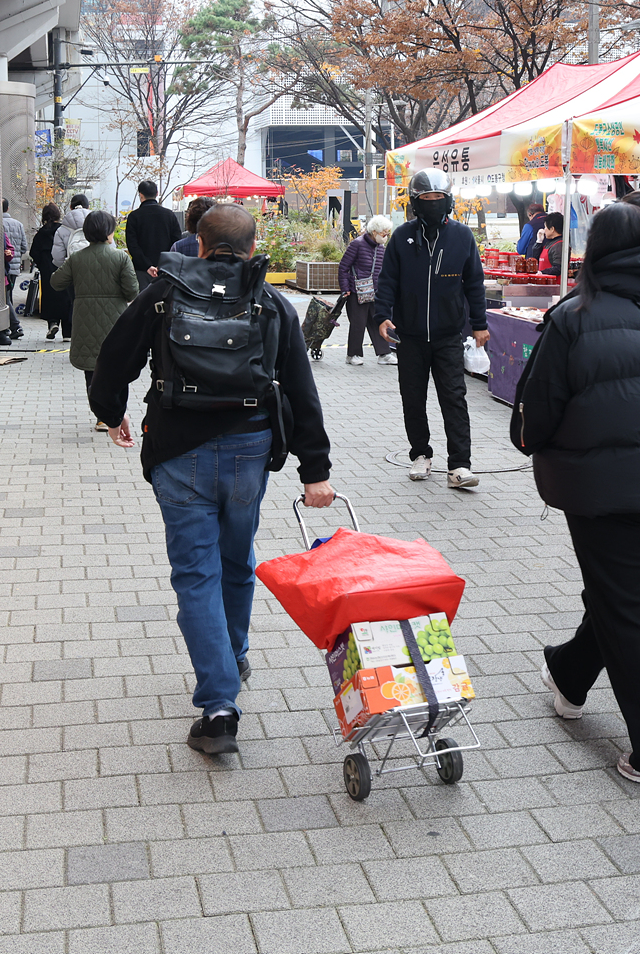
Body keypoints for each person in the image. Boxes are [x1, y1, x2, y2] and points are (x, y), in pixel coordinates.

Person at [89, 203, 336, 756]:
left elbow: (115, 355)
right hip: (251, 449)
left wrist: (110, 411)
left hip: (178, 449)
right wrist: (314, 468)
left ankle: (220, 705)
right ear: (253, 248)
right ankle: (235, 651)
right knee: (237, 555)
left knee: (194, 573)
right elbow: (300, 387)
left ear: (197, 244)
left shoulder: (164, 293)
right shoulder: (272, 301)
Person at [512, 204, 640, 789]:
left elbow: (538, 411)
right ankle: (569, 675)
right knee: (621, 600)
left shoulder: (571, 317)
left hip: (601, 493)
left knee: (628, 608)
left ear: (594, 248)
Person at [375, 169, 488, 488]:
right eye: (426, 199)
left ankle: (460, 466)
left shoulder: (463, 236)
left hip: (449, 336)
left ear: (449, 201)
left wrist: (479, 324)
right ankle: (420, 454)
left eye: (439, 198)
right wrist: (382, 314)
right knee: (412, 398)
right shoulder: (401, 236)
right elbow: (387, 281)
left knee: (454, 398)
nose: (433, 204)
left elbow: (475, 284)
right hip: (409, 336)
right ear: (415, 202)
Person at [50, 209, 138, 428]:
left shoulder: (77, 258)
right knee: (117, 369)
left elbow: (55, 282)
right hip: (116, 321)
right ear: (109, 231)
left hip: (85, 319)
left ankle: (101, 416)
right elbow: (132, 292)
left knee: (92, 368)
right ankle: (116, 415)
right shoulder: (120, 257)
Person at [337, 215, 395, 366]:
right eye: (384, 233)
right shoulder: (357, 244)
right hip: (356, 291)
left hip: (374, 291)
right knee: (358, 323)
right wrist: (345, 288)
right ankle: (352, 354)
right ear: (374, 231)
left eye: (388, 233)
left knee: (378, 321)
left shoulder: (381, 247)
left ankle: (384, 354)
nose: (386, 236)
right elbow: (344, 267)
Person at [124, 180, 183, 278]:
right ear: (157, 193)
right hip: (166, 269)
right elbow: (176, 242)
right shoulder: (169, 215)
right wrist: (164, 263)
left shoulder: (134, 216)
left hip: (142, 270)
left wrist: (147, 266)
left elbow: (132, 245)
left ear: (141, 195)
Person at [50, 195, 88, 338]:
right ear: (88, 207)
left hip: (72, 271)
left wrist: (65, 270)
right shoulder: (97, 223)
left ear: (71, 207)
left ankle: (74, 334)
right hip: (94, 271)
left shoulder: (62, 229)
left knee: (74, 302)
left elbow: (57, 256)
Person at [30, 204, 65, 341]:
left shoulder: (40, 234)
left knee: (50, 297)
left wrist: (42, 264)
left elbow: (34, 252)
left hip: (47, 270)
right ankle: (68, 332)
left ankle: (52, 323)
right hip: (63, 268)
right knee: (66, 298)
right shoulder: (63, 230)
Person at [1, 198, 27, 342]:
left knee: (5, 299)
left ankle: (10, 326)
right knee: (7, 297)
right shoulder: (19, 224)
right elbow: (24, 247)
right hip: (14, 267)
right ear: (8, 208)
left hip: (1, 269)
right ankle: (11, 326)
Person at [536, 211, 568, 278]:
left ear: (552, 229)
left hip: (555, 286)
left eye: (545, 227)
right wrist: (539, 241)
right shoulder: (550, 243)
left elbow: (558, 268)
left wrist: (542, 273)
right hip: (545, 285)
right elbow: (536, 258)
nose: (544, 230)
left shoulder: (559, 245)